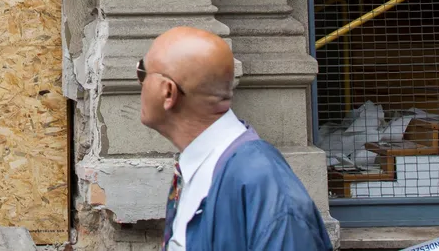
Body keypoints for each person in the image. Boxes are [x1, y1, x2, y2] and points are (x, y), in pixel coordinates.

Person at [139, 26, 332, 251]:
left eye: (142, 73)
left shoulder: (262, 185)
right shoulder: (202, 169)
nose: (140, 85)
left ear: (168, 93)